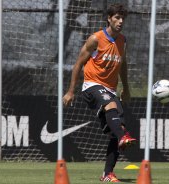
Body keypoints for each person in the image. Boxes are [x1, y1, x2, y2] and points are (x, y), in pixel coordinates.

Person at [63, 3, 136, 183]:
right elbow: (78, 64)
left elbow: (123, 66)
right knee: (115, 116)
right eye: (117, 18)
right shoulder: (96, 38)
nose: (120, 21)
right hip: (91, 86)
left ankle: (107, 174)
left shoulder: (123, 41)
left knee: (117, 129)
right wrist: (70, 91)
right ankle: (123, 137)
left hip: (110, 90)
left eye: (122, 18)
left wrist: (126, 88)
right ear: (109, 19)